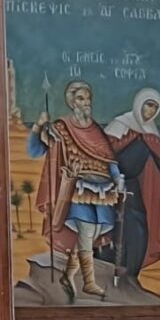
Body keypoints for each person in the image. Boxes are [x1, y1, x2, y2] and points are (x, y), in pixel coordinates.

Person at [29, 80, 125, 300]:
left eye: (88, 98)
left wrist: (118, 177)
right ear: (72, 102)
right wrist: (38, 127)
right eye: (81, 98)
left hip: (102, 191)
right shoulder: (61, 128)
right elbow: (35, 151)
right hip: (77, 189)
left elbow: (108, 159)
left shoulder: (96, 130)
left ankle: (68, 275)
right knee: (87, 232)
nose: (86, 102)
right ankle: (89, 283)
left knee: (93, 234)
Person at [100, 88, 160, 278]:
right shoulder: (119, 125)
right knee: (111, 229)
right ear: (139, 104)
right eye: (149, 105)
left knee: (138, 230)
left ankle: (130, 274)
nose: (151, 111)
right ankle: (107, 271)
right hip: (109, 186)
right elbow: (101, 154)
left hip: (131, 186)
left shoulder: (151, 132)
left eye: (155, 108)